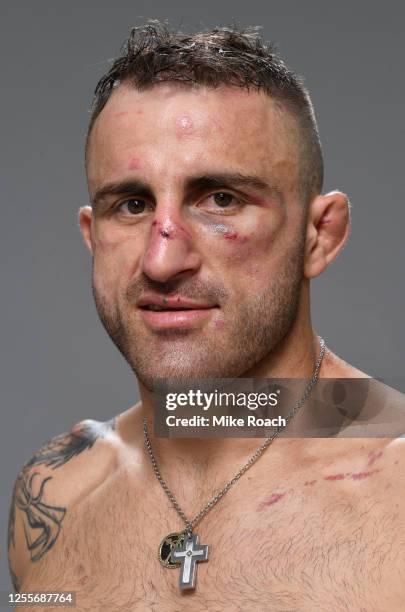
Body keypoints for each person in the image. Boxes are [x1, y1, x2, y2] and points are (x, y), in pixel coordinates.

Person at [8, 20, 405, 610]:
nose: (162, 260)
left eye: (222, 199)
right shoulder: (54, 494)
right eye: (133, 205)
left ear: (319, 236)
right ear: (92, 237)